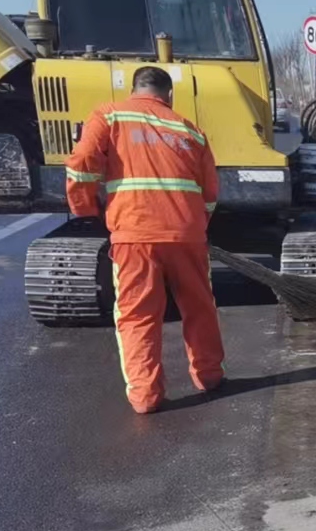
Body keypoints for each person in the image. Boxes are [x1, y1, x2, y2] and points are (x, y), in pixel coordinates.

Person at [65, 66, 224, 414]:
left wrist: (85, 210)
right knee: (199, 307)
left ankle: (147, 396)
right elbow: (210, 192)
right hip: (186, 235)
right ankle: (209, 375)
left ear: (135, 88)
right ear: (169, 95)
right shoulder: (191, 131)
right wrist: (196, 224)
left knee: (138, 315)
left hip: (135, 234)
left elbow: (80, 165)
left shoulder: (109, 116)